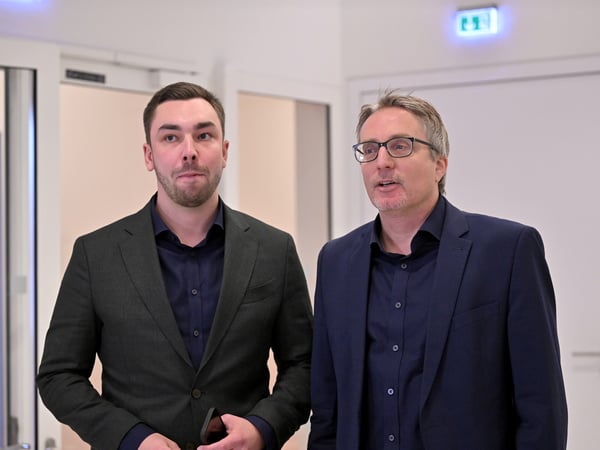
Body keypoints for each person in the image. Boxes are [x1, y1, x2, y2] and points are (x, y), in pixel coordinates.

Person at [37, 82, 313, 450]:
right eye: (171, 137)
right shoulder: (96, 255)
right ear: (149, 155)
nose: (189, 151)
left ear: (224, 151)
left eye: (204, 135)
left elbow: (305, 365)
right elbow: (59, 377)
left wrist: (263, 427)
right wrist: (131, 438)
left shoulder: (274, 249)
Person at [308, 91, 568, 450]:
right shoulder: (336, 261)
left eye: (400, 146)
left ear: (439, 165)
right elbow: (327, 405)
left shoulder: (507, 250)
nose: (382, 162)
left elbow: (541, 406)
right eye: (369, 150)